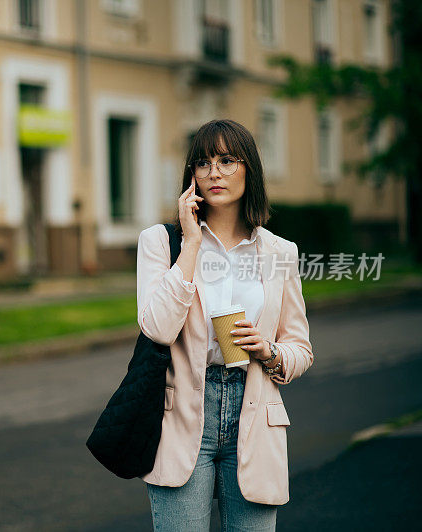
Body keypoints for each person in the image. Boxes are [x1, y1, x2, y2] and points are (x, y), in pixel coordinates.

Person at [137, 119, 314, 531]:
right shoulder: (161, 243)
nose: (214, 172)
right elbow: (157, 328)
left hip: (253, 412)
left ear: (249, 168)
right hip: (182, 414)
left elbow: (301, 350)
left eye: (227, 160)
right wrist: (191, 243)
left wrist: (268, 350)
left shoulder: (279, 252)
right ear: (191, 176)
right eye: (203, 162)